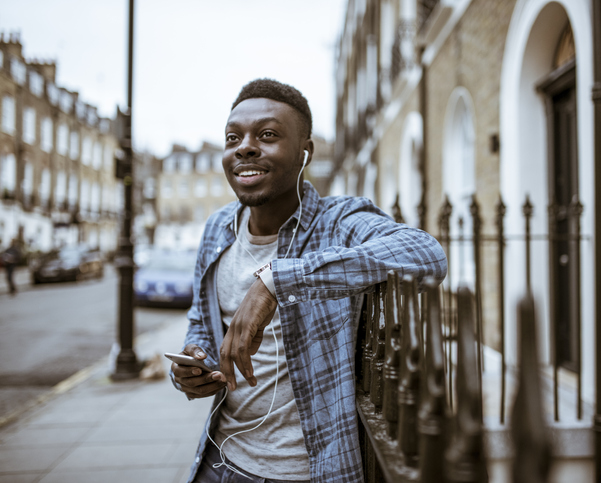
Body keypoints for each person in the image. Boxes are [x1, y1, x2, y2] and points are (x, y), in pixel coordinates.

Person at [170, 78, 447, 483]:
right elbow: (201, 319)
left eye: (267, 135)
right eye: (233, 137)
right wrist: (194, 361)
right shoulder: (217, 229)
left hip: (308, 472)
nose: (244, 147)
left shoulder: (339, 222)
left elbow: (427, 254)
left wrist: (278, 282)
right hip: (220, 462)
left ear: (305, 151)